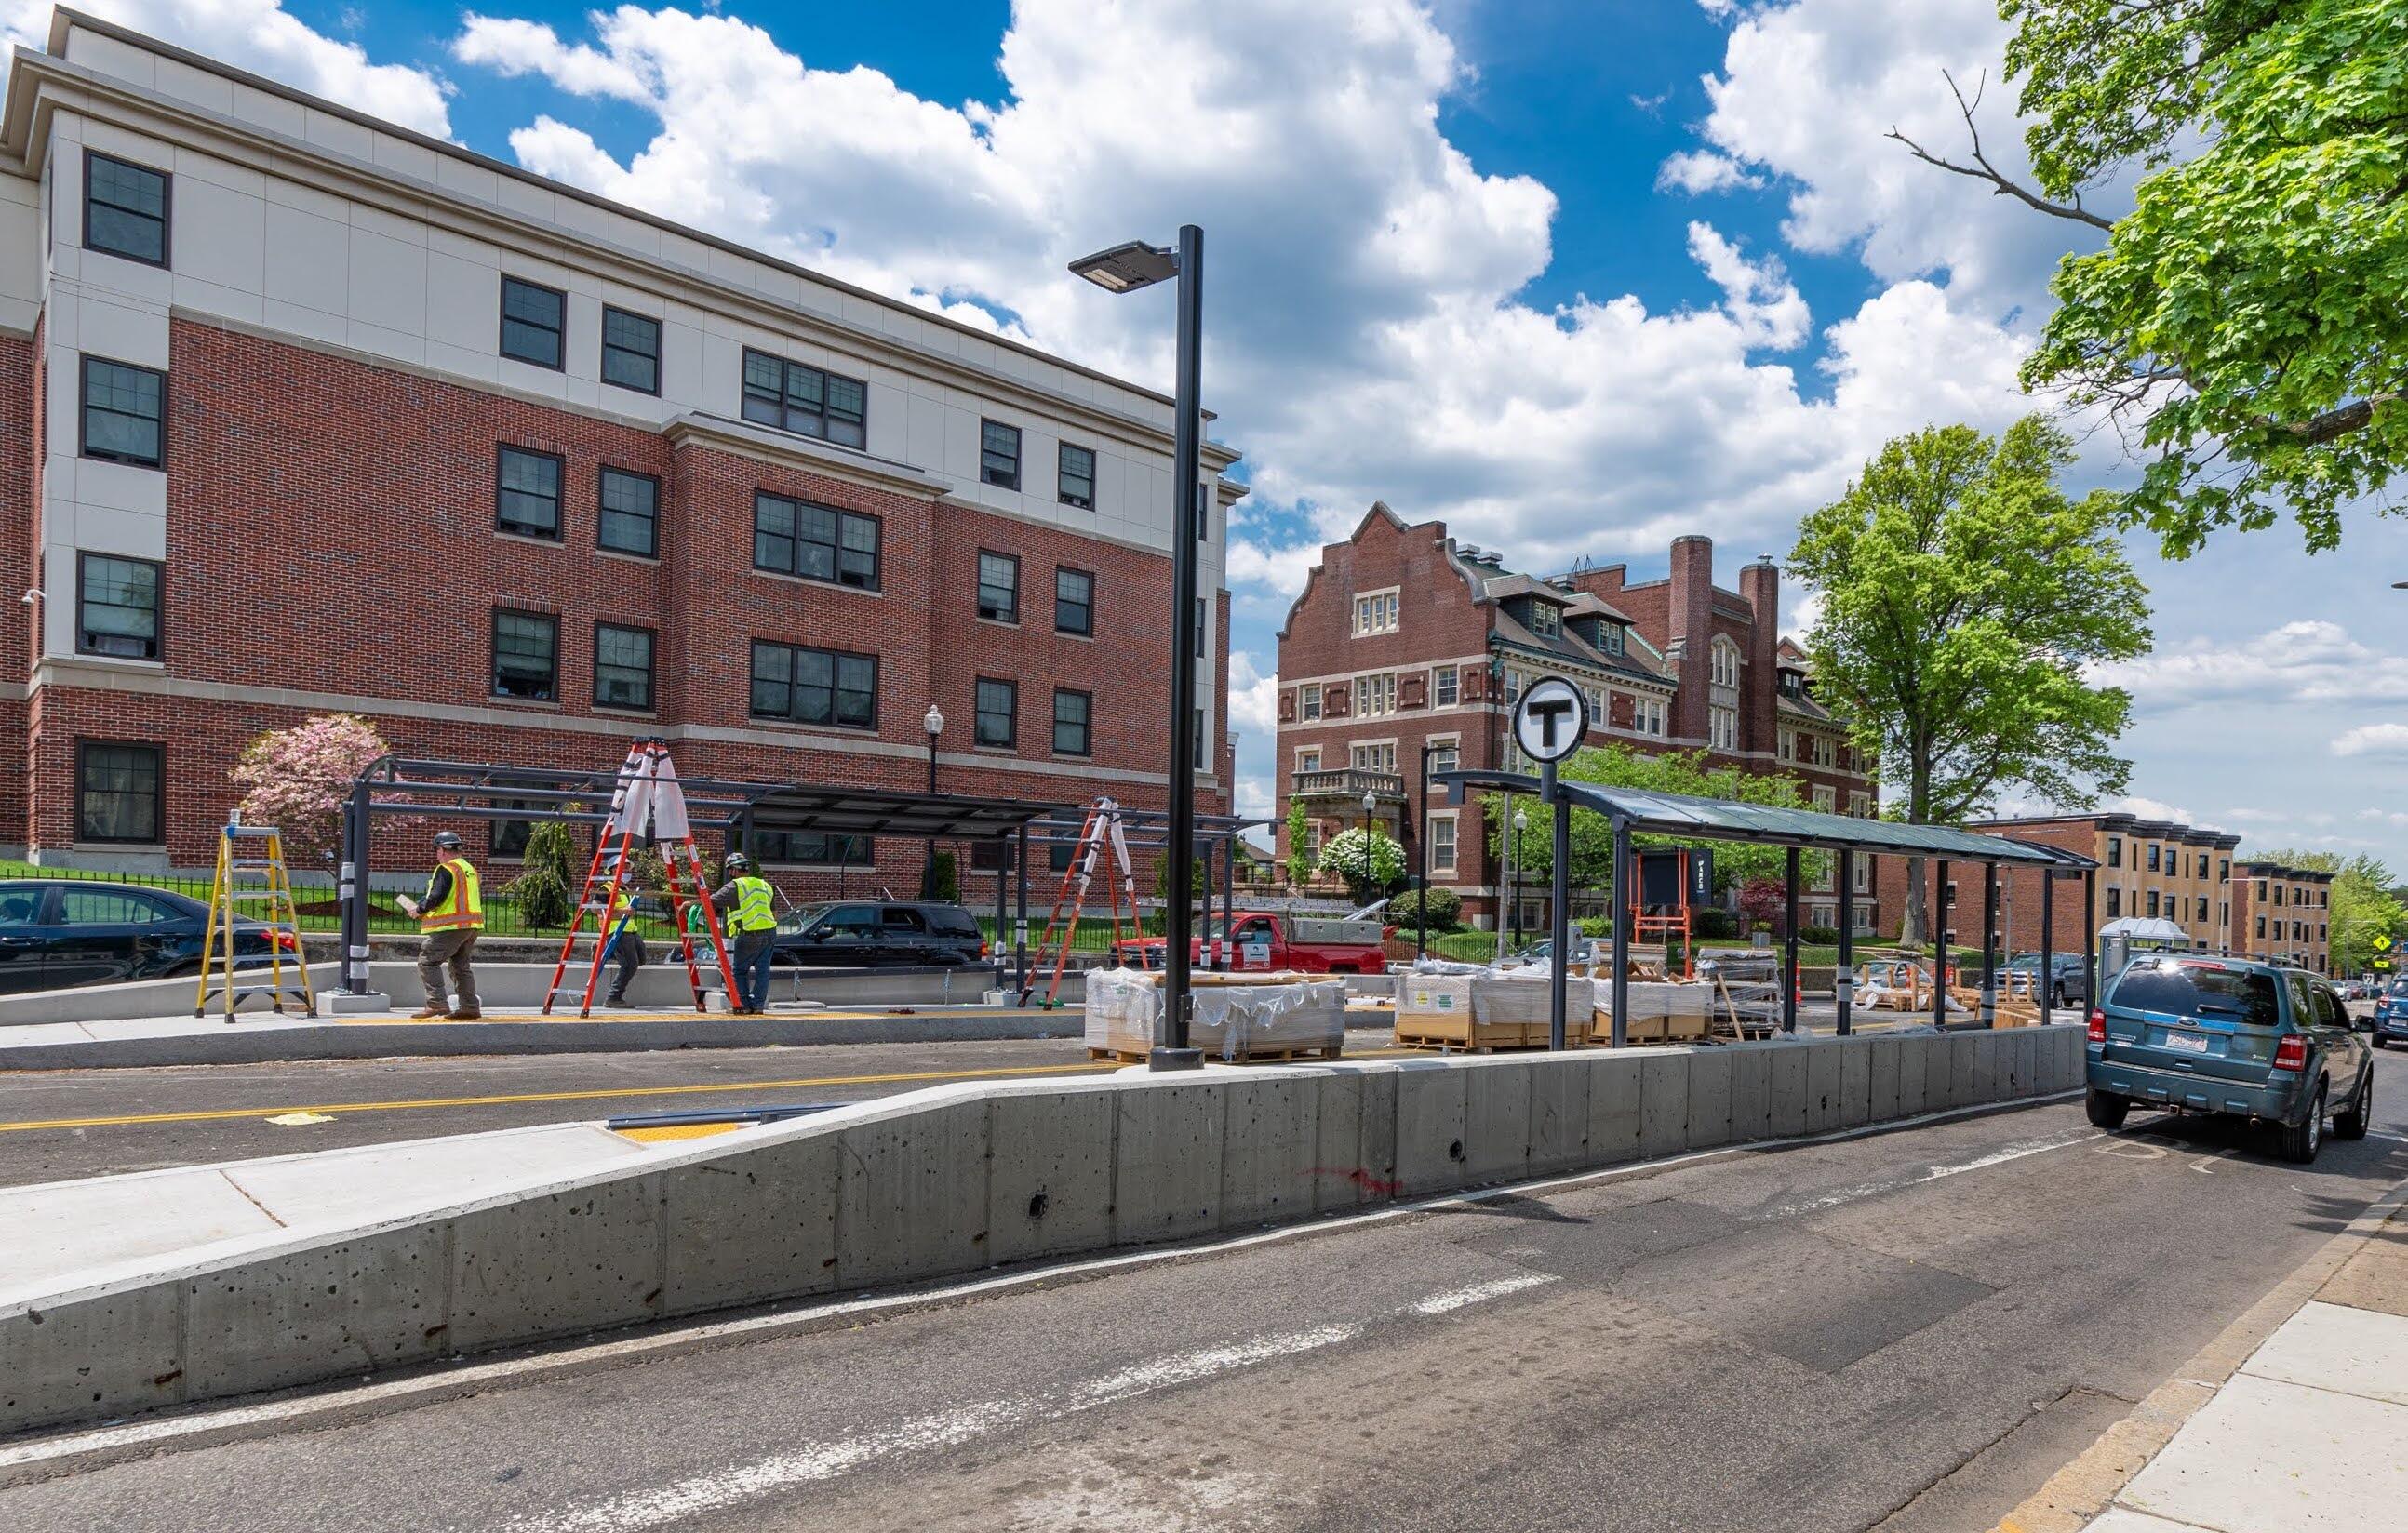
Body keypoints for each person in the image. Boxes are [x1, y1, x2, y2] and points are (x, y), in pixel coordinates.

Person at [395, 831, 482, 1020]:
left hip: (452, 926)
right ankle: (470, 1007)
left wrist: (419, 910)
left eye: (437, 850)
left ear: (442, 850)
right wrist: (422, 905)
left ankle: (437, 1004)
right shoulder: (469, 869)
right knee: (460, 966)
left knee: (428, 961)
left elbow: (437, 896)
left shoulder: (446, 869)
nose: (437, 854)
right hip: (471, 925)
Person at [707, 852, 780, 1014]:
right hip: (770, 933)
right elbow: (774, 914)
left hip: (749, 935)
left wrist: (688, 903)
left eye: (730, 870)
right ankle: (759, 1006)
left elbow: (709, 900)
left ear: (733, 870)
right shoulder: (764, 885)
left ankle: (744, 1005)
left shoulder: (734, 886)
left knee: (740, 971)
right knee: (763, 971)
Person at [601, 869, 647, 1007]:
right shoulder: (606, 888)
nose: (627, 871)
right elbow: (597, 909)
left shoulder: (624, 889)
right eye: (623, 867)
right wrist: (622, 911)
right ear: (613, 870)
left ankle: (607, 951)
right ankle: (613, 997)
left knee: (641, 958)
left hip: (630, 930)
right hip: (617, 931)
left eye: (628, 867)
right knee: (630, 965)